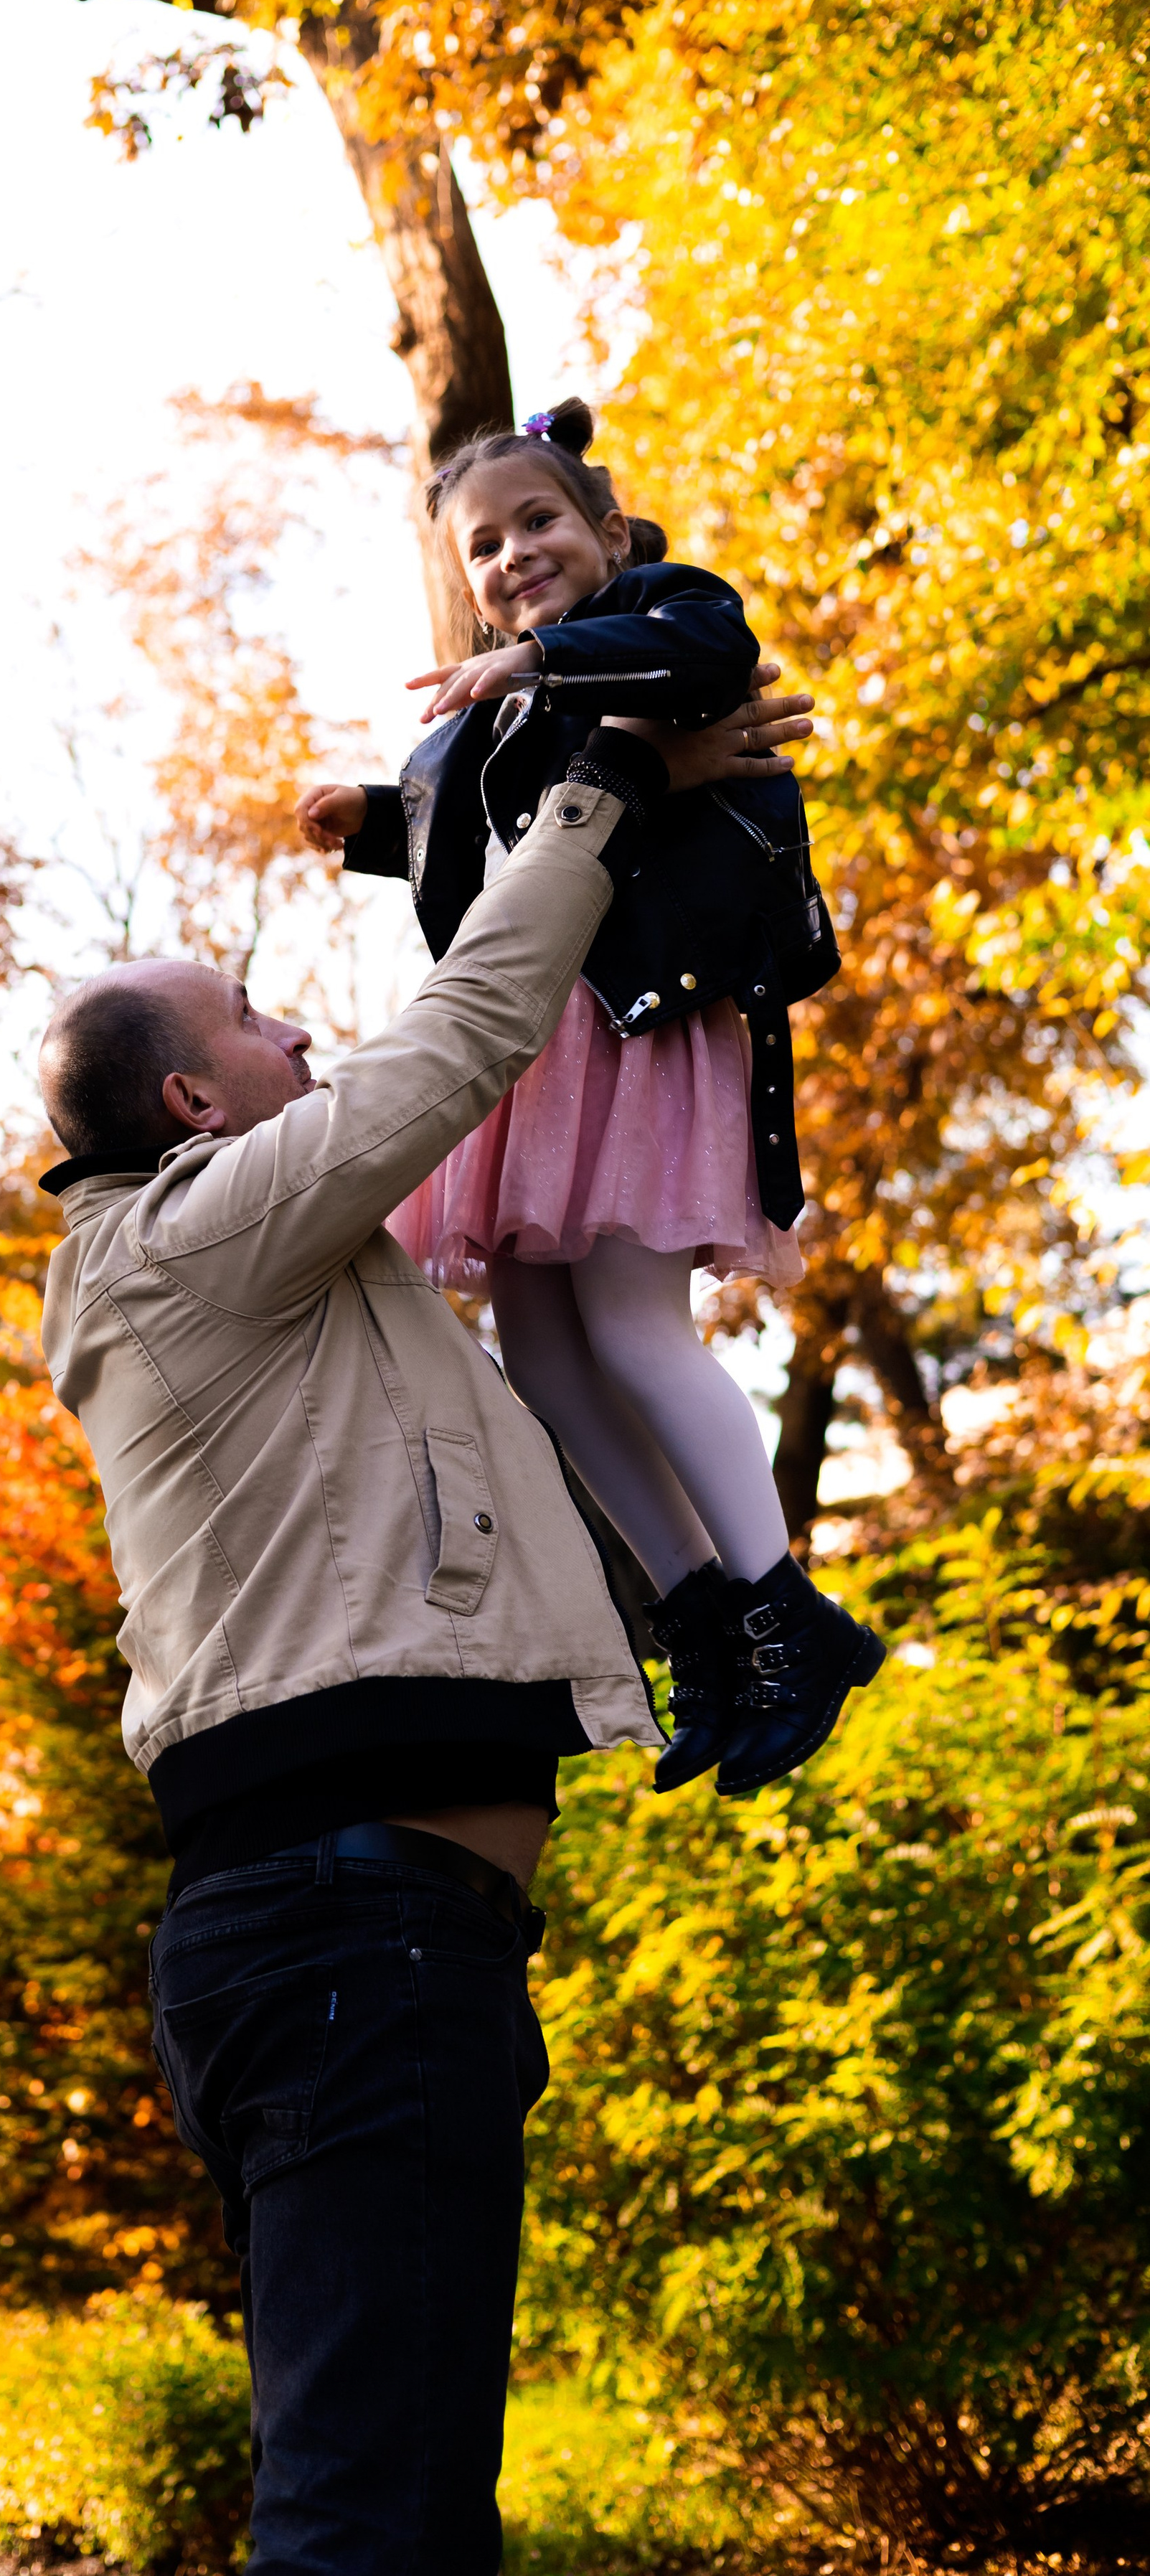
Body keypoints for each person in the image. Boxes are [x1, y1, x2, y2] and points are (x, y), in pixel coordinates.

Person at [35, 695, 801, 2575]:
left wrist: (719, 1614)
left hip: (368, 1938)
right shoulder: (196, 1233)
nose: (302, 1026)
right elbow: (463, 1042)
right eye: (255, 1019)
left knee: (395, 2506)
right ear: (194, 1108)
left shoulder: (287, 1290)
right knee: (369, 2525)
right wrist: (607, 786)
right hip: (344, 1940)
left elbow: (524, 1446)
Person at [297, 398, 884, 1799]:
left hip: (629, 1027)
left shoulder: (656, 619)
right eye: (482, 545)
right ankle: (700, 1619)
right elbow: (492, 835)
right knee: (545, 1356)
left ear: (608, 532)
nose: (510, 556)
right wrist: (372, 820)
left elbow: (697, 657)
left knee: (627, 1326)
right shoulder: (498, 719)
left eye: (537, 524)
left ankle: (781, 1606)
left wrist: (537, 659)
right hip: (523, 1055)